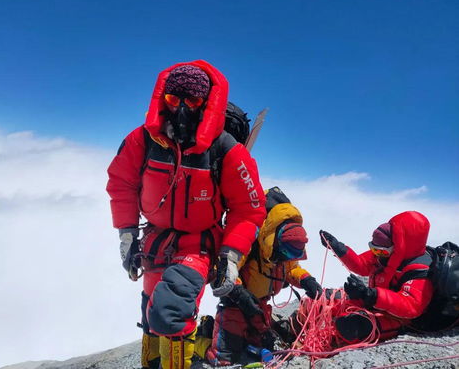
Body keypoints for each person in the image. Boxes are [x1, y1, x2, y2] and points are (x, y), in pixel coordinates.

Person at [106, 60, 266, 369]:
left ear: (206, 103)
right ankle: (153, 364)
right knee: (151, 311)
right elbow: (121, 183)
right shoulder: (143, 140)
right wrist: (127, 234)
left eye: (191, 100)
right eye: (172, 99)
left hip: (198, 245)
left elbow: (249, 208)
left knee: (170, 311)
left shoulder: (225, 150)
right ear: (162, 98)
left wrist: (230, 255)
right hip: (154, 241)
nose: (181, 108)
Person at [195, 186, 322, 365]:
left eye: (291, 256)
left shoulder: (282, 248)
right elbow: (223, 270)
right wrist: (240, 294)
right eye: (285, 253)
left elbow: (292, 269)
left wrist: (307, 280)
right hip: (235, 306)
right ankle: (198, 338)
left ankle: (222, 332)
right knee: (222, 359)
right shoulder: (249, 240)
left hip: (260, 308)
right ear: (275, 241)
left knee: (263, 348)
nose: (285, 259)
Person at [319, 211, 434, 343]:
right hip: (374, 302)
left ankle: (325, 342)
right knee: (322, 301)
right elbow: (362, 265)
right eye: (373, 249)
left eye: (381, 251)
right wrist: (338, 248)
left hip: (399, 319)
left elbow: (411, 306)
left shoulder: (419, 270)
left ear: (399, 246)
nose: (376, 254)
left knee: (351, 327)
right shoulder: (385, 253)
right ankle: (293, 329)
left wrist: (372, 295)